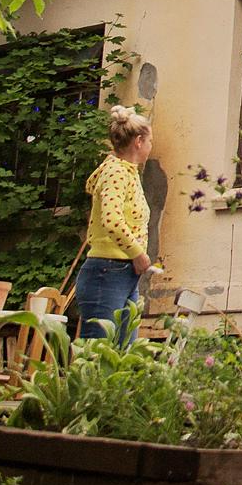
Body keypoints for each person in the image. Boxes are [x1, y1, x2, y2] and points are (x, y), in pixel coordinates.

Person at [72, 107, 160, 341]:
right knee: (99, 351)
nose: (151, 146)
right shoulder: (117, 173)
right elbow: (111, 220)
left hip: (121, 272)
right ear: (139, 142)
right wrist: (138, 254)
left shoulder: (125, 171)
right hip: (107, 271)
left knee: (123, 355)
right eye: (150, 140)